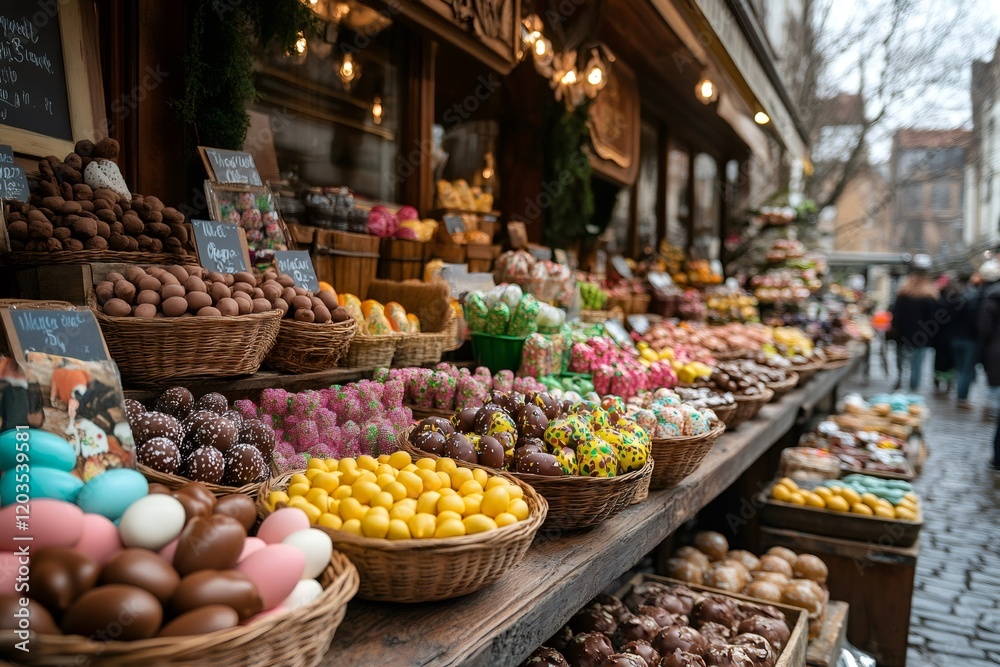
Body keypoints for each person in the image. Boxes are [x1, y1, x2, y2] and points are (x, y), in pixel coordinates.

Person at [889, 255, 940, 392]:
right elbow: (934, 318)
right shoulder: (931, 295)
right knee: (917, 365)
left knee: (900, 360)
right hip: (921, 337)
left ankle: (899, 379)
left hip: (902, 334)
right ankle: (913, 389)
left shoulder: (903, 293)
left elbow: (896, 315)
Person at [939, 271, 981, 409]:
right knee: (966, 369)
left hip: (954, 338)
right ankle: (962, 398)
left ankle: (959, 393)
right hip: (968, 339)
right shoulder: (973, 298)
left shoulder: (953, 297)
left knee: (959, 368)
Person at [976, 261, 1000, 434]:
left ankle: (993, 409)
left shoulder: (989, 299)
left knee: (994, 383)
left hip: (994, 348)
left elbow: (983, 328)